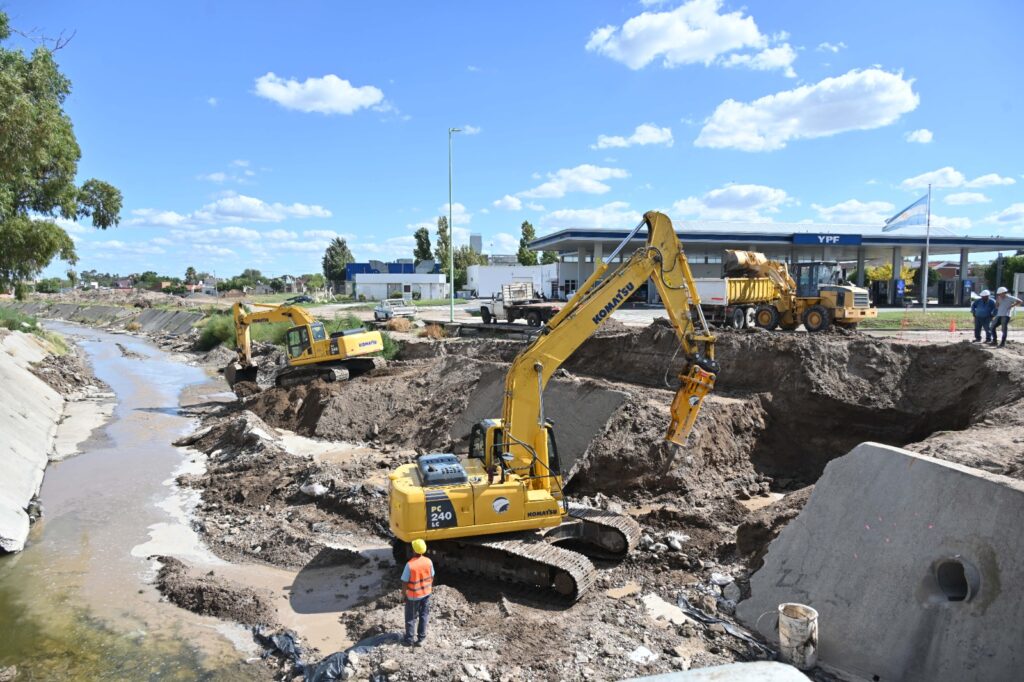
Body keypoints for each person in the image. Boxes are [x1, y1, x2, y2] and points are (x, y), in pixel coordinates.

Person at [401, 538, 434, 646]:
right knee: (423, 615)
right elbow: (432, 576)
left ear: (414, 550)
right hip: (426, 593)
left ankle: (409, 640)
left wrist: (404, 594)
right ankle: (421, 639)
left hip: (413, 596)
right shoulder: (428, 561)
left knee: (411, 618)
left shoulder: (410, 565)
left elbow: (405, 581)